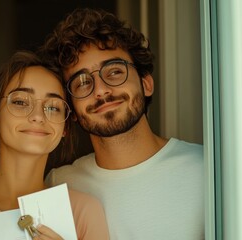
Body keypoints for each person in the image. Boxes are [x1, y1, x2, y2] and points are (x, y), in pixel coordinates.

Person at [39, 8, 204, 240]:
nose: (101, 90)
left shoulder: (206, 171)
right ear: (72, 110)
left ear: (146, 84)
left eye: (115, 71)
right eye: (82, 82)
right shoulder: (58, 186)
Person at [0, 51, 110, 240]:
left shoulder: (83, 212)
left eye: (54, 107)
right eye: (21, 102)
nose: (38, 116)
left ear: (65, 128)